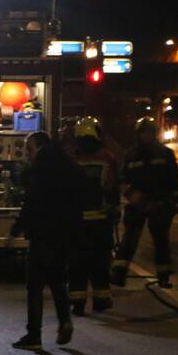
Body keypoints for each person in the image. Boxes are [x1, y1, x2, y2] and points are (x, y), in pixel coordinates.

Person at [10, 130, 82, 350]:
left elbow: (32, 201)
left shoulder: (40, 169)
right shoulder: (67, 164)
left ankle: (34, 336)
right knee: (59, 282)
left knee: (35, 287)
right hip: (64, 233)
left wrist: (16, 228)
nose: (27, 155)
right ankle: (65, 321)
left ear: (37, 147)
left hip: (42, 234)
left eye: (28, 150)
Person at [111, 117, 178, 289]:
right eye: (143, 133)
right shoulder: (131, 155)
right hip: (137, 203)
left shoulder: (165, 154)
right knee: (129, 240)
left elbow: (173, 180)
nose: (146, 136)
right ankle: (118, 274)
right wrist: (134, 197)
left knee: (161, 242)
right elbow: (122, 179)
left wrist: (174, 203)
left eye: (149, 132)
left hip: (160, 204)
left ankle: (163, 276)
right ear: (138, 134)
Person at [68, 117, 120, 314]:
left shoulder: (71, 158)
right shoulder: (107, 158)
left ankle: (77, 302)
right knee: (100, 263)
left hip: (76, 221)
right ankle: (101, 300)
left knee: (76, 263)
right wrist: (115, 211)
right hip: (100, 220)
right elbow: (112, 189)